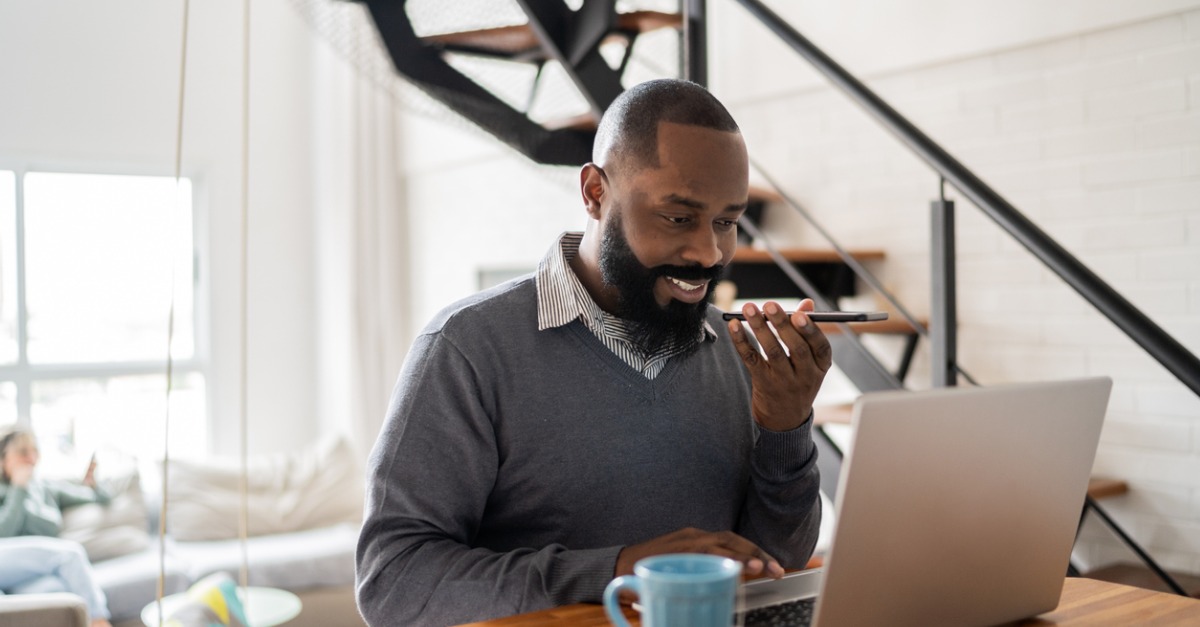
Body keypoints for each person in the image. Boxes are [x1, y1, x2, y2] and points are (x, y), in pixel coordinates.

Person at [356, 78, 828, 626]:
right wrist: (616, 569)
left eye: (726, 222)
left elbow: (774, 562)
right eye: (678, 217)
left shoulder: (736, 355)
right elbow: (394, 582)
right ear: (594, 193)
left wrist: (785, 429)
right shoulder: (469, 348)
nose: (709, 252)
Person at [0, 429, 114, 627]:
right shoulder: (5, 491)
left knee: (53, 588)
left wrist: (93, 483)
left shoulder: (45, 488)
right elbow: (4, 533)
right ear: (3, 459)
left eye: (34, 451)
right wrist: (18, 489)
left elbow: (97, 497)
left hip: (29, 570)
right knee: (70, 554)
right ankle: (99, 622)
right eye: (22, 452)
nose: (31, 458)